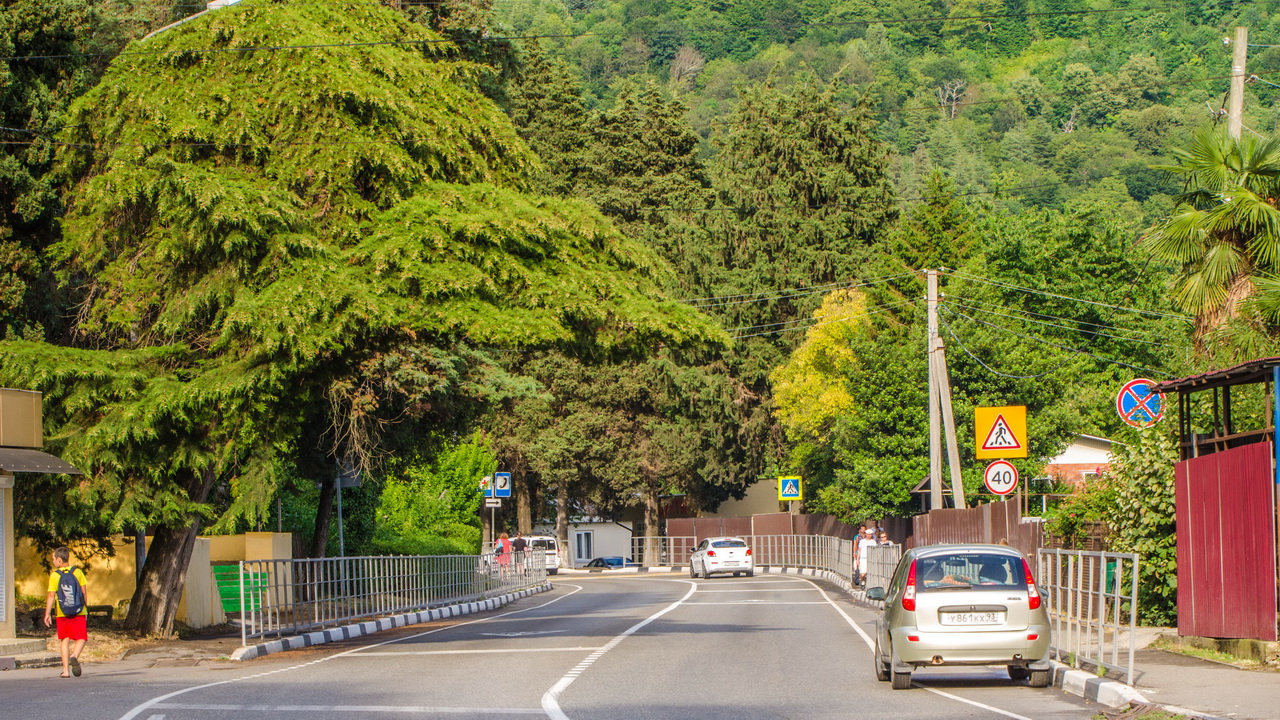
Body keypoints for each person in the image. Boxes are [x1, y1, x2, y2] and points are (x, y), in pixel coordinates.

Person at [44, 546, 88, 679]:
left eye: (53, 559)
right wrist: (85, 608)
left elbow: (51, 596)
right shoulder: (78, 572)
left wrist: (47, 614)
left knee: (64, 640)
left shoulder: (55, 575)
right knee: (81, 637)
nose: (52, 561)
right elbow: (84, 592)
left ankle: (66, 671)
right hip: (78, 610)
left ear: (59, 560)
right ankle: (74, 656)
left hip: (62, 612)